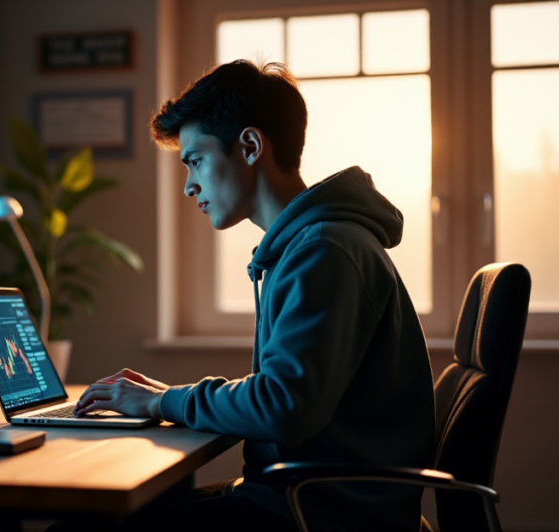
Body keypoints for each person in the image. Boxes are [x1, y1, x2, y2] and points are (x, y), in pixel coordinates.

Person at [69, 60, 436, 531]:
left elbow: (284, 407)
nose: (189, 186)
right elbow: (287, 393)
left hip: (316, 514)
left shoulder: (323, 250)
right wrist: (168, 397)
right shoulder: (312, 245)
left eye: (195, 160)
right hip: (304, 500)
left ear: (249, 145)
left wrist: (164, 404)